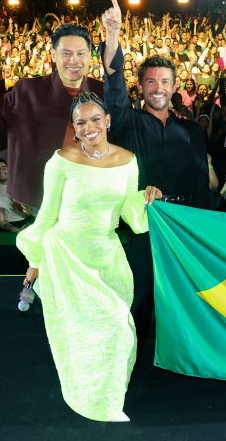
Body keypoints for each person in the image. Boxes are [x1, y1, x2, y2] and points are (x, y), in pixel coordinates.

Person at [16, 92, 162, 422]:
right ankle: (100, 402)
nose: (89, 126)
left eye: (96, 119)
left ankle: (105, 391)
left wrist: (146, 198)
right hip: (68, 255)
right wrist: (34, 263)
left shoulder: (127, 160)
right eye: (81, 122)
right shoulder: (61, 160)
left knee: (115, 328)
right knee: (107, 326)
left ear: (108, 120)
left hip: (108, 257)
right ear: (74, 128)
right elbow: (48, 214)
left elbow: (130, 215)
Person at [100, 0, 214, 355]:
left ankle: (189, 359)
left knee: (187, 296)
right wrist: (113, 35)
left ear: (175, 87)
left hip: (184, 225)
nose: (158, 88)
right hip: (145, 226)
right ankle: (125, 364)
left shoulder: (192, 131)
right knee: (140, 299)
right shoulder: (127, 122)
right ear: (141, 87)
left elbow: (201, 183)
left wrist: (205, 230)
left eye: (165, 82)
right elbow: (113, 88)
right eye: (151, 82)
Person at [0, 23, 104, 211]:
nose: (74, 60)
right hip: (44, 194)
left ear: (90, 56)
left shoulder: (103, 91)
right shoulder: (28, 90)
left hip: (92, 192)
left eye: (81, 53)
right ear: (53, 56)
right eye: (66, 53)